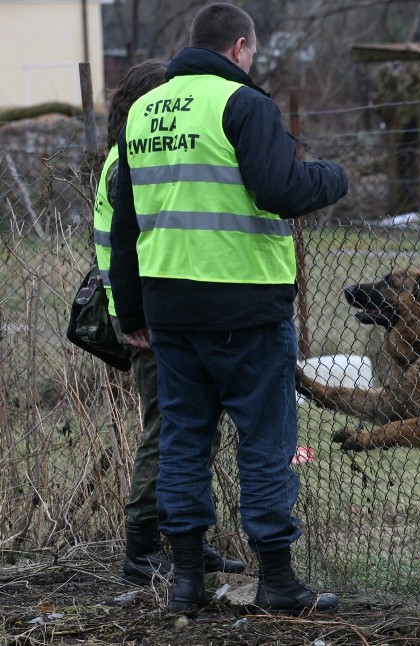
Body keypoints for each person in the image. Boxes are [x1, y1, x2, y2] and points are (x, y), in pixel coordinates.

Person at [109, 3, 348, 614]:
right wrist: (330, 176)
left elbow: (128, 221)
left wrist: (131, 310)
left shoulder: (141, 112)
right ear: (240, 47)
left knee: (185, 442)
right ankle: (277, 582)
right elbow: (279, 190)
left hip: (170, 311)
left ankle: (186, 581)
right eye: (252, 53)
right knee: (265, 444)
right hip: (246, 311)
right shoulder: (243, 104)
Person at [92, 59, 245, 585]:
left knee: (192, 432)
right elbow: (131, 248)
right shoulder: (126, 164)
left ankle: (187, 543)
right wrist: (135, 314)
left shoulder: (130, 157)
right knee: (167, 432)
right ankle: (142, 549)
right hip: (146, 323)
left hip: (155, 314)